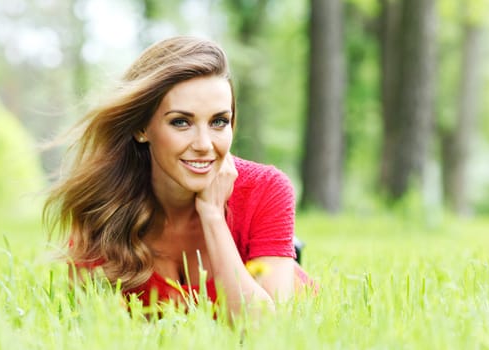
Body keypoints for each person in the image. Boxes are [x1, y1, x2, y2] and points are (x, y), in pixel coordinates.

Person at [44, 36, 312, 316]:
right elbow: (90, 328)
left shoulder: (266, 188)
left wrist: (212, 215)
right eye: (181, 122)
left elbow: (268, 332)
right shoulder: (102, 208)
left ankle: (286, 254)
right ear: (141, 128)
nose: (204, 144)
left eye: (218, 121)